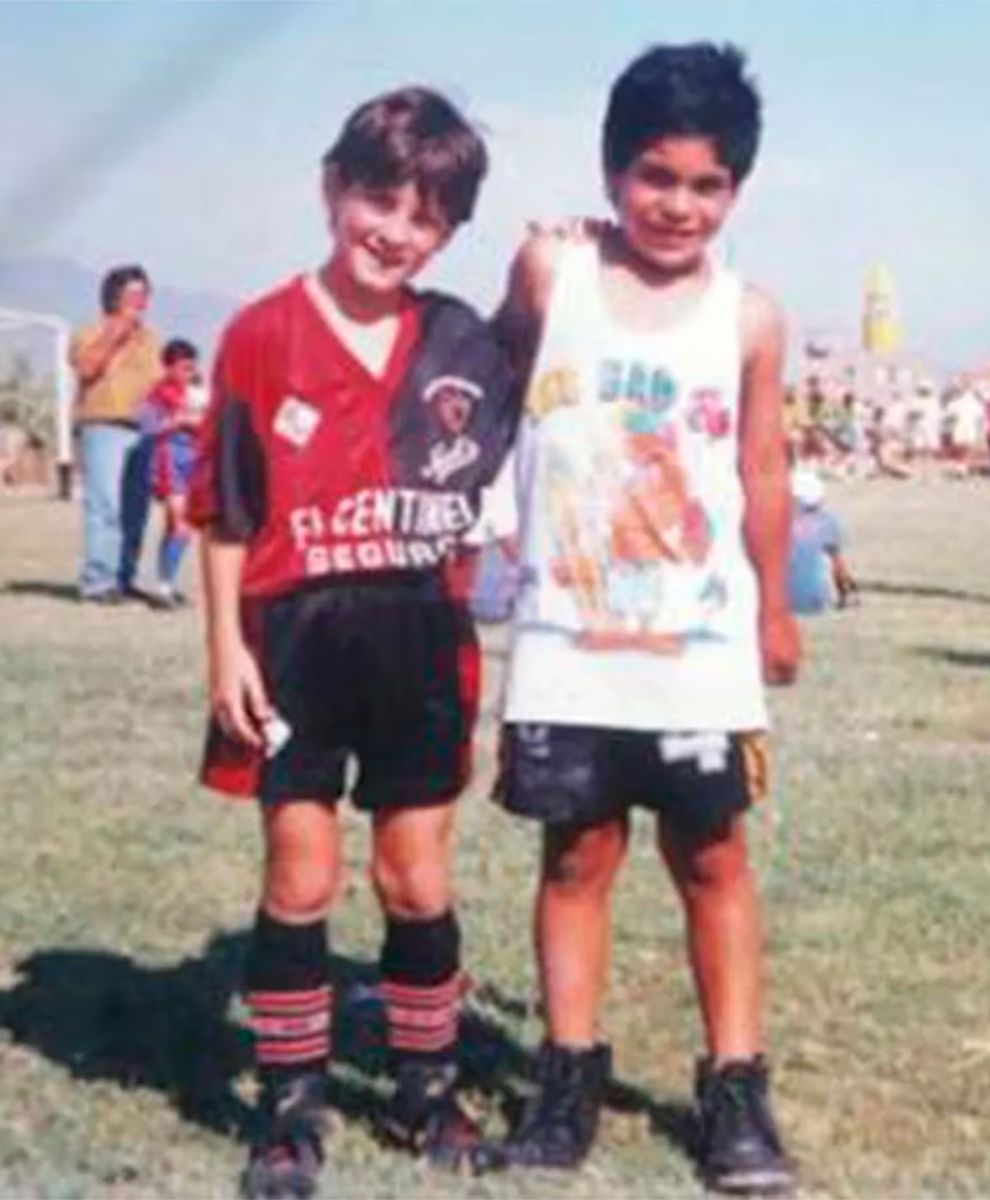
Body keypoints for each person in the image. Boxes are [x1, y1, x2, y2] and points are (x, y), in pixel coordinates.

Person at [186, 87, 517, 1200]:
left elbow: (551, 330)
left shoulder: (461, 338)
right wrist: (223, 647)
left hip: (420, 632)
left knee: (414, 875)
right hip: (294, 637)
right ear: (333, 188)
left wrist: (553, 258)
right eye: (378, 198)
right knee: (302, 867)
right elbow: (225, 510)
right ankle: (289, 1105)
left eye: (424, 216)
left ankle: (425, 1085)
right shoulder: (260, 334)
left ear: (449, 232)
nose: (394, 230)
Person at [491, 43, 801, 1194]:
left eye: (705, 184)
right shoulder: (548, 269)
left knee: (712, 855)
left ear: (736, 192)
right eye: (654, 176)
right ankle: (566, 1073)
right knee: (575, 855)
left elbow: (763, 467)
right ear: (612, 170)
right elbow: (490, 367)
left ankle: (734, 1087)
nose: (677, 204)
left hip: (698, 655)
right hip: (566, 644)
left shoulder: (750, 317)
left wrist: (774, 606)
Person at [70, 265, 161, 602]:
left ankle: (124, 577)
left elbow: (159, 385)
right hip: (103, 425)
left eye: (146, 295)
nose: (142, 302)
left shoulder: (151, 339)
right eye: (135, 294)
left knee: (135, 509)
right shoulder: (88, 331)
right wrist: (114, 335)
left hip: (144, 431)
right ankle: (97, 581)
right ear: (114, 296)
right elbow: (85, 368)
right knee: (104, 505)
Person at [138, 338, 205, 609]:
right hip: (169, 461)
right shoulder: (158, 394)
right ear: (169, 367)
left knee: (180, 527)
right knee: (180, 523)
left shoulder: (198, 391)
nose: (189, 373)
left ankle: (167, 583)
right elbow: (147, 426)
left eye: (191, 367)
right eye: (183, 368)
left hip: (195, 460)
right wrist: (177, 420)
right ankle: (164, 588)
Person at [787, 467, 856, 614]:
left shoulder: (775, 521)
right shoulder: (828, 522)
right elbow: (839, 567)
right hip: (818, 602)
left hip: (781, 600)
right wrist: (847, 595)